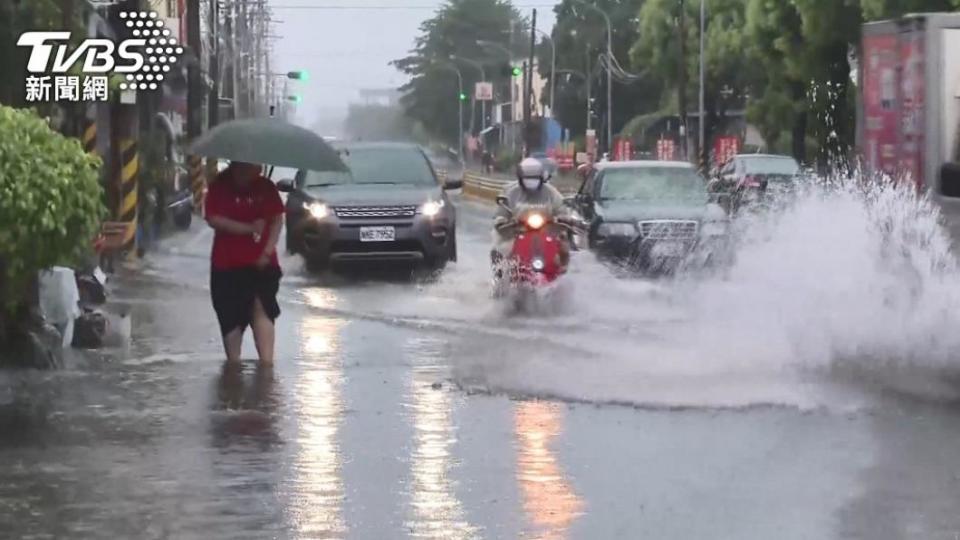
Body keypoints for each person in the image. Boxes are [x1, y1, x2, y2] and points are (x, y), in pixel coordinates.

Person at [204, 161, 284, 365]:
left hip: (261, 263)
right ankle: (233, 364)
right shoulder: (220, 186)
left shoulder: (266, 187)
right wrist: (248, 228)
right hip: (227, 263)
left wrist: (266, 252)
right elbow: (213, 218)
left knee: (262, 307)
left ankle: (267, 364)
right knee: (229, 315)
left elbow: (276, 220)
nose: (254, 170)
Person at [491, 157, 573, 270]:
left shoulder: (551, 193)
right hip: (516, 233)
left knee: (564, 246)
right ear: (520, 178)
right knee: (499, 249)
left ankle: (562, 273)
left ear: (541, 178)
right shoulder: (510, 192)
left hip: (547, 233)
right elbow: (501, 213)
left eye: (534, 178)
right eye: (527, 178)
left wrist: (564, 218)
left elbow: (561, 208)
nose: (531, 182)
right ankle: (502, 275)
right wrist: (502, 221)